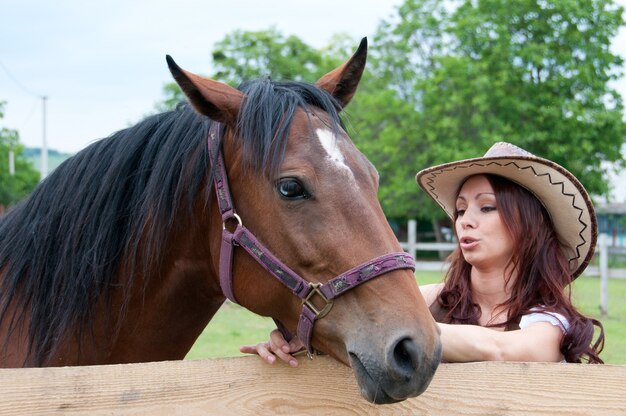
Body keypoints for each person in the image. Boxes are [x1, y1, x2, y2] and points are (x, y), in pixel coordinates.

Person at [241, 142, 604, 365]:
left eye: (486, 208)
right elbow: (350, 321)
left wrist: (390, 330)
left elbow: (505, 350)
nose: (465, 221)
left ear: (528, 226)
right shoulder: (429, 298)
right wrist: (297, 340)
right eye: (461, 210)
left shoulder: (548, 321)